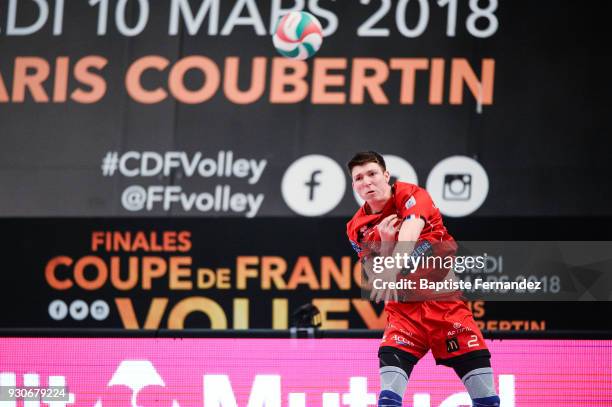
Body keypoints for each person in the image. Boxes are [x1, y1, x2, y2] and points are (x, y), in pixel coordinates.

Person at [346, 151, 500, 407]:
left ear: (386, 175)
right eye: (359, 178)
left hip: (447, 309)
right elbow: (379, 283)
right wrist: (384, 247)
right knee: (388, 402)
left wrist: (391, 262)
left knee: (487, 402)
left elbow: (410, 233)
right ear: (354, 186)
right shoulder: (356, 227)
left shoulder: (412, 195)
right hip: (404, 316)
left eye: (372, 174)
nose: (367, 182)